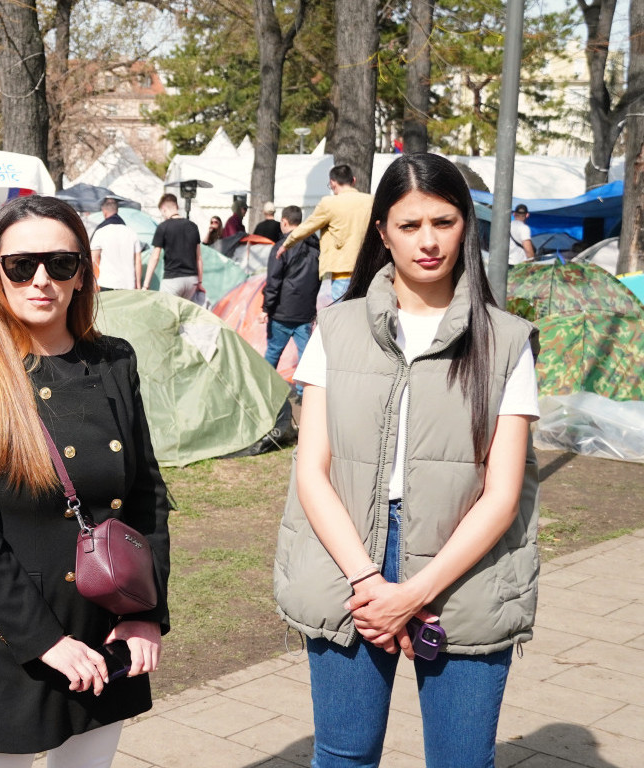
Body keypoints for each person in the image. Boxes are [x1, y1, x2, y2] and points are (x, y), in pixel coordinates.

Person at [273, 153, 541, 768]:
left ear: (466, 226)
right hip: (348, 560)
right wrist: (371, 583)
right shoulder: (335, 330)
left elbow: (502, 496)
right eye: (409, 225)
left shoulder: (504, 341)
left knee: (462, 760)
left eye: (443, 222)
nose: (428, 241)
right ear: (382, 233)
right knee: (343, 757)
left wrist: (416, 590)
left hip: (464, 570)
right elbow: (312, 470)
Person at [0, 195, 171, 768]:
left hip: (104, 623)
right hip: (6, 632)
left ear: (84, 270)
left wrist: (144, 612)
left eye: (61, 263)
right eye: (21, 265)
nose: (42, 280)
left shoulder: (113, 360)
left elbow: (146, 496)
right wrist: (45, 641)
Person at [277, 164, 374, 300]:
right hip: (366, 268)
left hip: (342, 269)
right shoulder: (370, 201)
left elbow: (308, 226)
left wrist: (286, 244)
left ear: (332, 183)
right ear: (353, 180)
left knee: (339, 316)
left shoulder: (329, 203)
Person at [259, 205, 320, 396]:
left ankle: (263, 388)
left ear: (284, 222)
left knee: (273, 352)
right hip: (305, 311)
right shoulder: (315, 247)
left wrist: (266, 308)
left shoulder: (281, 247)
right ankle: (304, 393)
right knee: (305, 356)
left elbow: (274, 280)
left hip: (282, 311)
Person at [144, 193, 203, 302]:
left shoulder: (163, 227)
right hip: (192, 281)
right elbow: (198, 257)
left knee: (167, 313)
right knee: (184, 314)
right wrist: (199, 282)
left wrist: (146, 285)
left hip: (173, 279)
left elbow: (155, 257)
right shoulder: (193, 226)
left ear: (164, 209)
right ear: (177, 207)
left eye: (162, 213)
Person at [90, 197, 142, 290]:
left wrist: (91, 283)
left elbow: (92, 259)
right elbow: (138, 261)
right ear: (117, 210)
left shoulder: (101, 232)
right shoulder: (131, 232)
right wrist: (138, 284)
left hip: (107, 282)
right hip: (128, 284)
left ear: (104, 211)